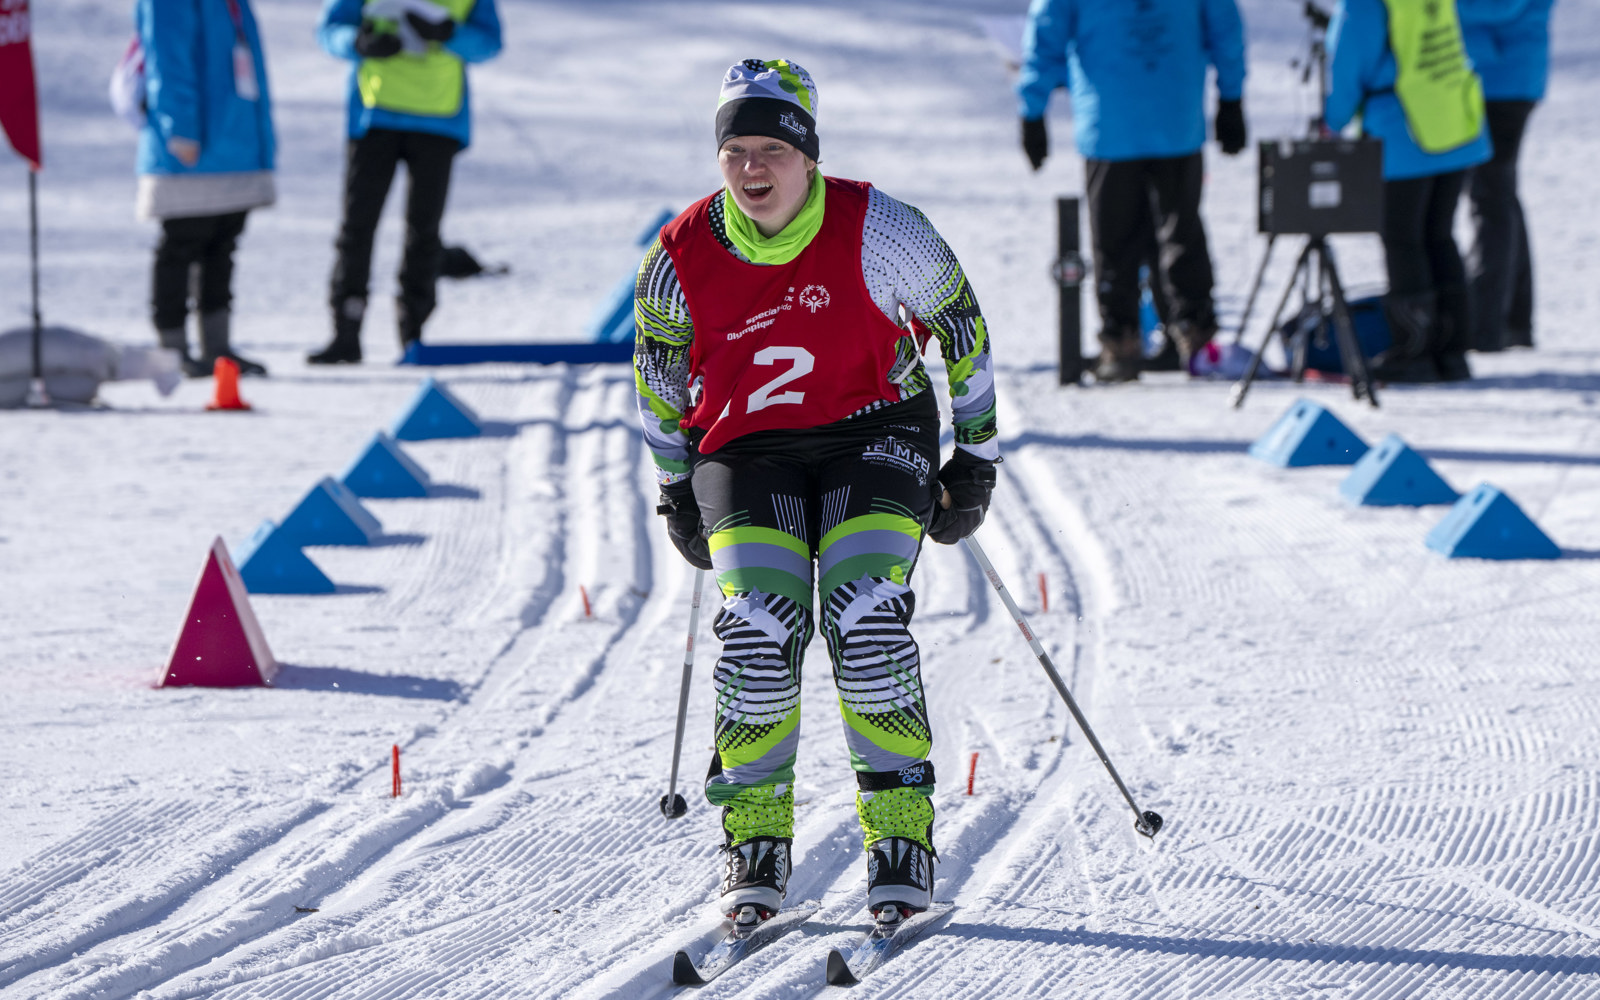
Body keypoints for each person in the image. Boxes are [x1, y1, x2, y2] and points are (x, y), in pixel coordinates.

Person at [634, 59, 1000, 925]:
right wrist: (675, 487)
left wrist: (975, 458)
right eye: (735, 151)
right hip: (747, 447)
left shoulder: (883, 230)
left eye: (771, 149)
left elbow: (964, 333)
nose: (752, 169)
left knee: (865, 614)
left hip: (873, 432)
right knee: (760, 627)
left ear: (809, 155)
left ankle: (900, 833)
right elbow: (658, 377)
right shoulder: (680, 253)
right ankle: (755, 836)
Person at [1017, 0, 1248, 382]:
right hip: (1175, 120)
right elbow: (1224, 25)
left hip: (1110, 124)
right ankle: (1194, 335)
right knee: (1181, 231)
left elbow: (1046, 33)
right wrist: (1231, 96)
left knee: (1115, 240)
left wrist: (1032, 108)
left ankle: (1122, 344)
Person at [306, 0, 502, 365]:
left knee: (424, 230)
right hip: (374, 117)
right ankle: (346, 331)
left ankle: (413, 333)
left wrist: (450, 35)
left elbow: (490, 42)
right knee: (358, 227)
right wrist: (357, 42)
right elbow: (330, 29)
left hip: (439, 121)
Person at [1326, 0, 1491, 382]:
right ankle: (1451, 351)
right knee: (1438, 235)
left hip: (1403, 127)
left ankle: (1413, 350)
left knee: (1402, 238)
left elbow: (1349, 63)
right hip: (1452, 119)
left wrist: (1332, 120)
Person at [135, 0, 276, 378]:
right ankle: (173, 349)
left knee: (222, 245)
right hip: (196, 141)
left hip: (236, 138)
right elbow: (167, 55)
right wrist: (180, 125)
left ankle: (218, 347)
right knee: (181, 245)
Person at [1459, 0, 1554, 352]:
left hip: (1501, 81)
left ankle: (1487, 325)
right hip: (1501, 76)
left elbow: (1500, 7)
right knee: (1500, 195)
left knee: (1490, 198)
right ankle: (1512, 319)